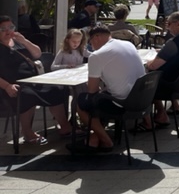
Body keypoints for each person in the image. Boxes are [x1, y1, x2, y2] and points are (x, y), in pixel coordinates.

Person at [70, 26, 145, 154]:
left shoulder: (97, 55)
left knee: (80, 103)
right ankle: (95, 138)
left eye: (90, 42)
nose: (91, 46)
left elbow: (92, 91)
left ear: (97, 37)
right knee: (101, 97)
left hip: (123, 103)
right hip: (143, 98)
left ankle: (106, 141)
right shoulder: (128, 44)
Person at [0, 15, 73, 145]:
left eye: (10, 27)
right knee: (27, 95)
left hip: (33, 80)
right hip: (10, 86)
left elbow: (37, 54)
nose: (8, 31)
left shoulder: (17, 41)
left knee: (56, 88)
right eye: (3, 28)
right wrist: (6, 86)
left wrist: (24, 41)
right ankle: (27, 133)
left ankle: (65, 126)